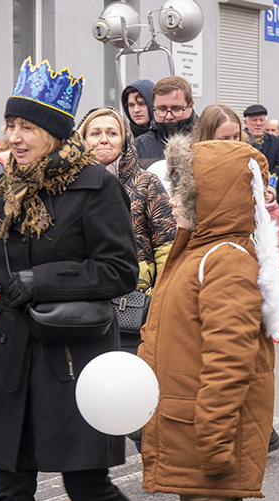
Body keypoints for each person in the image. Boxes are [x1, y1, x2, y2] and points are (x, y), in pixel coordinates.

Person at [0, 57, 180, 501]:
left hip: (71, 359)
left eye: (28, 127)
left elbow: (118, 270)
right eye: (11, 126)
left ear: (55, 133)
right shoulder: (6, 188)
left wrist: (42, 280)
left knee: (86, 485)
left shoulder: (93, 186)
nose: (16, 138)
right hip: (10, 353)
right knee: (10, 487)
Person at [139, 136, 279, 501]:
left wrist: (215, 439)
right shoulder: (200, 250)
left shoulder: (224, 259)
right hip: (193, 429)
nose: (173, 199)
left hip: (209, 434)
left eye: (184, 190)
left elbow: (230, 359)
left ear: (213, 195)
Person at [77, 106, 176, 354]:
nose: (103, 140)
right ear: (82, 140)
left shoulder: (146, 183)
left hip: (132, 301)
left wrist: (158, 296)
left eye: (112, 133)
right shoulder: (70, 185)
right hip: (81, 299)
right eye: (95, 133)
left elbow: (167, 246)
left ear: (125, 140)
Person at [135, 76, 198, 169]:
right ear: (153, 106)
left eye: (176, 109)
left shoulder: (206, 139)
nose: (169, 116)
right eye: (162, 109)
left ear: (190, 106)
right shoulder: (138, 146)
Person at [243, 104, 279, 185]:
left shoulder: (275, 141)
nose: (258, 124)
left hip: (268, 186)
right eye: (254, 120)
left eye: (261, 120)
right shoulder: (239, 140)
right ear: (246, 123)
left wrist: (267, 177)